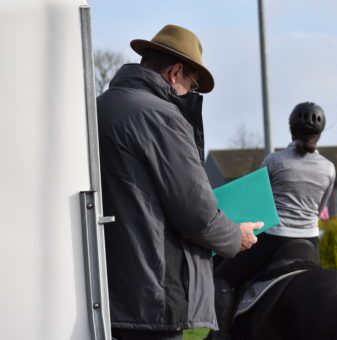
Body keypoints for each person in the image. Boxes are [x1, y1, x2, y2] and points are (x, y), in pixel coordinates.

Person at [97, 24, 263, 340]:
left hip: (102, 297)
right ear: (175, 73)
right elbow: (196, 214)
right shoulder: (162, 116)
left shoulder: (97, 108)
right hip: (152, 298)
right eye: (193, 85)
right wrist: (234, 236)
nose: (191, 94)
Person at [209, 102, 336, 340]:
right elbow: (319, 209)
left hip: (273, 241)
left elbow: (260, 202)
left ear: (291, 130)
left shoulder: (274, 161)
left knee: (222, 278)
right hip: (310, 244)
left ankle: (221, 334)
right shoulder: (329, 169)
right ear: (319, 135)